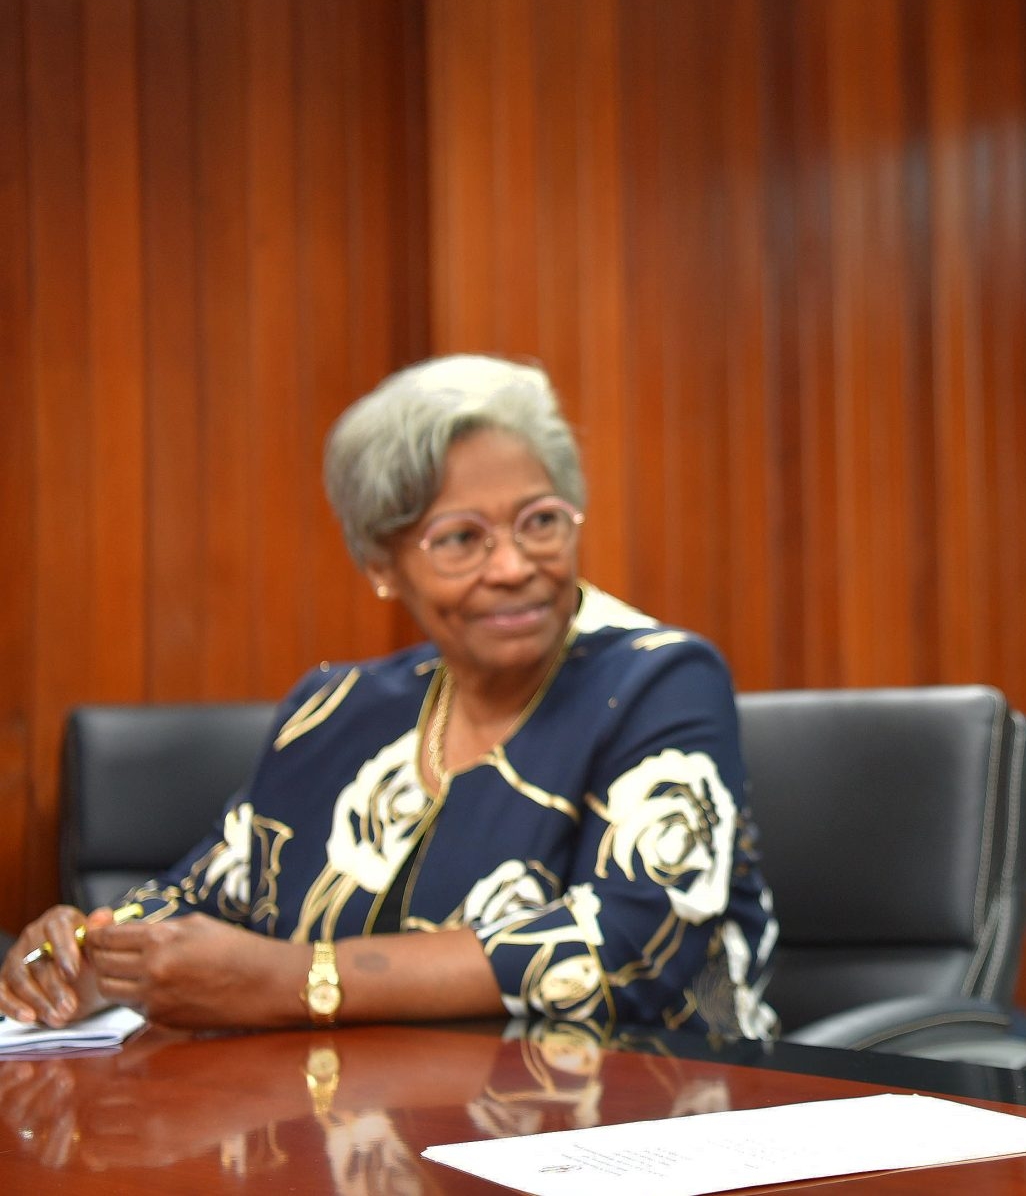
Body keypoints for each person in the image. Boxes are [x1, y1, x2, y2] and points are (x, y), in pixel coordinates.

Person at [0, 355, 777, 1039]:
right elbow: (210, 889)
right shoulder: (337, 710)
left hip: (640, 1126)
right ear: (382, 562)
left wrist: (295, 978)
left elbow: (623, 947)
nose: (512, 565)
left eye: (540, 522)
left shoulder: (656, 680)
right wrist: (91, 957)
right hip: (368, 1132)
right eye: (461, 538)